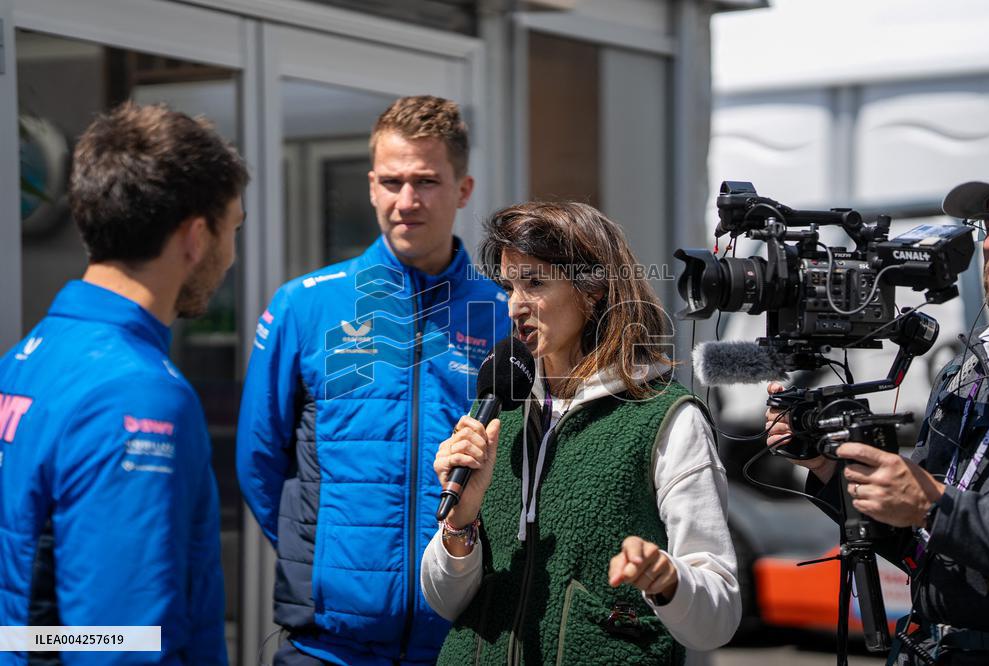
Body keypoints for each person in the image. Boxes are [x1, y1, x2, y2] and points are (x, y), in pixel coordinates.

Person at [236, 96, 510, 665]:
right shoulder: (305, 306)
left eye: (427, 181)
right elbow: (259, 460)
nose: (406, 201)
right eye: (391, 181)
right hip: (328, 646)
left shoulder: (502, 314)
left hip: (462, 642)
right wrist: (322, 558)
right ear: (370, 186)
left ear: (463, 189)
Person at [420, 201, 741, 665]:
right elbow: (445, 601)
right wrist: (460, 524)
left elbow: (720, 616)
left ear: (592, 289)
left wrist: (668, 579)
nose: (514, 305)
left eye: (534, 282)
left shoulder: (666, 418)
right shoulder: (497, 407)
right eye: (509, 285)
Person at [0, 102, 248, 664]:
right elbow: (123, 641)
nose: (231, 257)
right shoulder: (137, 395)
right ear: (193, 237)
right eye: (232, 228)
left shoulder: (24, 360)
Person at [765, 180, 989, 664]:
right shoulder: (970, 368)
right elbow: (922, 542)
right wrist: (830, 469)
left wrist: (934, 504)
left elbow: (938, 512)